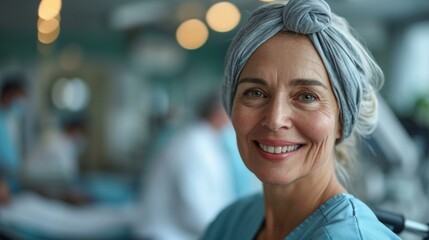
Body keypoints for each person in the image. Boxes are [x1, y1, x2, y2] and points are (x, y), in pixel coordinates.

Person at [202, 0, 400, 239]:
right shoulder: (231, 222)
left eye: (307, 96)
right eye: (255, 93)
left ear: (342, 119)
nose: (275, 119)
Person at [133, 90, 240, 240]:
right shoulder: (193, 146)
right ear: (218, 112)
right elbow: (193, 206)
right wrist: (226, 231)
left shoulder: (205, 142)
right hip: (165, 234)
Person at [0, 73, 28, 194]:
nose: (23, 101)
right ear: (10, 93)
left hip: (11, 177)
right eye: (20, 95)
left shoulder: (11, 117)